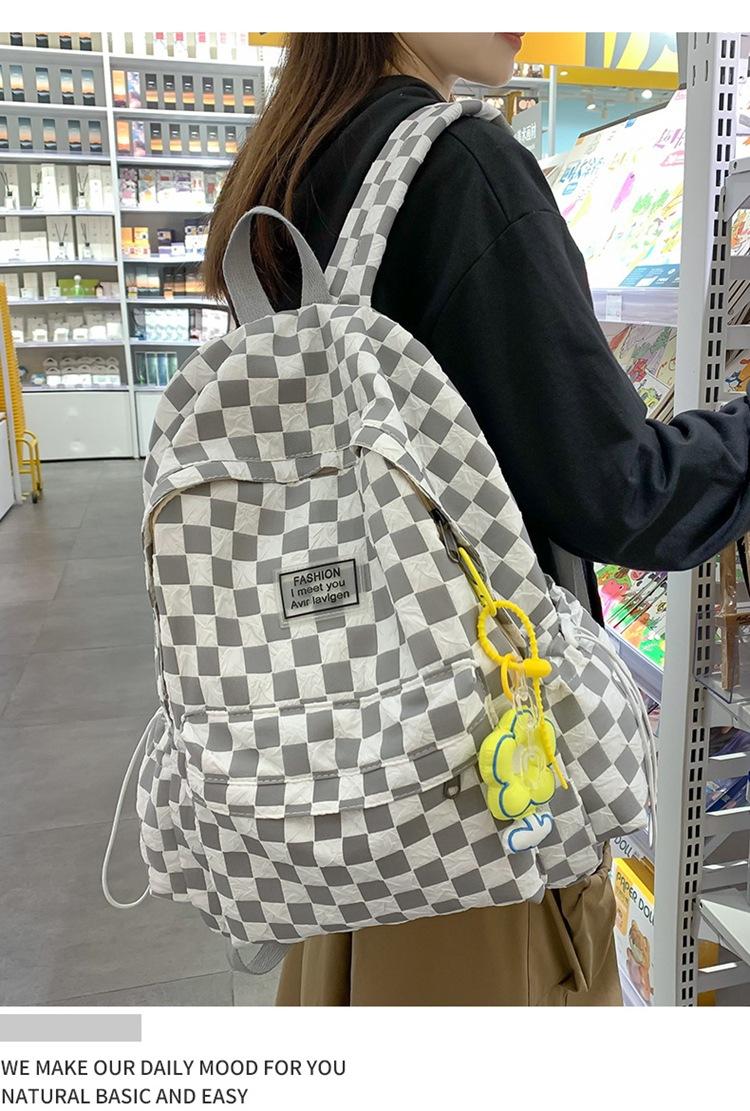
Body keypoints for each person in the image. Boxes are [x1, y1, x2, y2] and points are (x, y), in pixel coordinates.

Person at [202, 33, 750, 1006]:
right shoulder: (459, 169)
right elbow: (621, 492)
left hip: (333, 762)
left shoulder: (293, 162)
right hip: (474, 790)